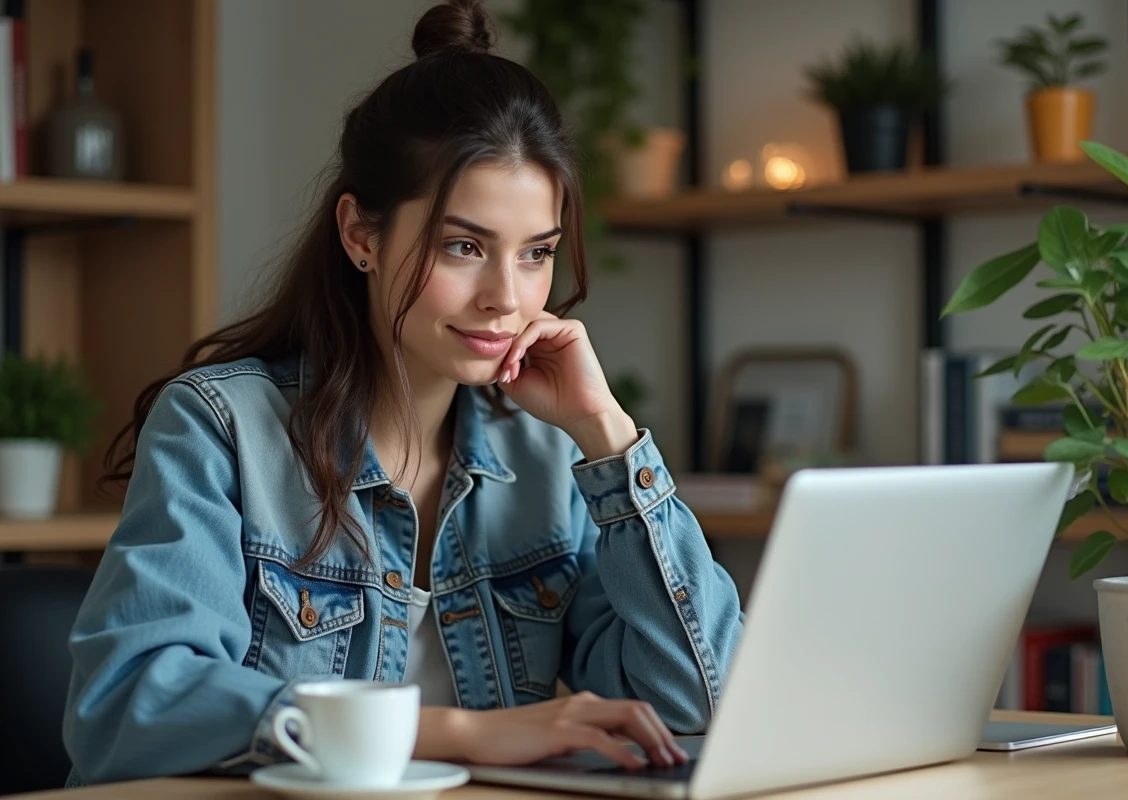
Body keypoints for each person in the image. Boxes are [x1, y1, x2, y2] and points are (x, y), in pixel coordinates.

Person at [62, 0, 743, 786]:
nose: (506, 297)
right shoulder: (222, 427)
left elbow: (702, 702)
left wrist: (611, 440)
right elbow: (129, 704)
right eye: (465, 246)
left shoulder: (549, 456)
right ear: (361, 236)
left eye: (536, 254)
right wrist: (459, 734)